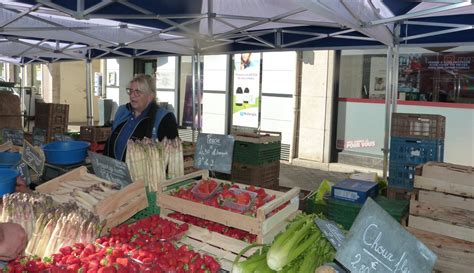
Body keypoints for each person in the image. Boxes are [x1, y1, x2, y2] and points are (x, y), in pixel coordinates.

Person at [104, 74, 178, 161]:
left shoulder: (165, 118)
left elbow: (172, 154)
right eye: (130, 91)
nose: (132, 95)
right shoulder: (122, 111)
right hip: (114, 170)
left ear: (150, 96)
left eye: (138, 92)